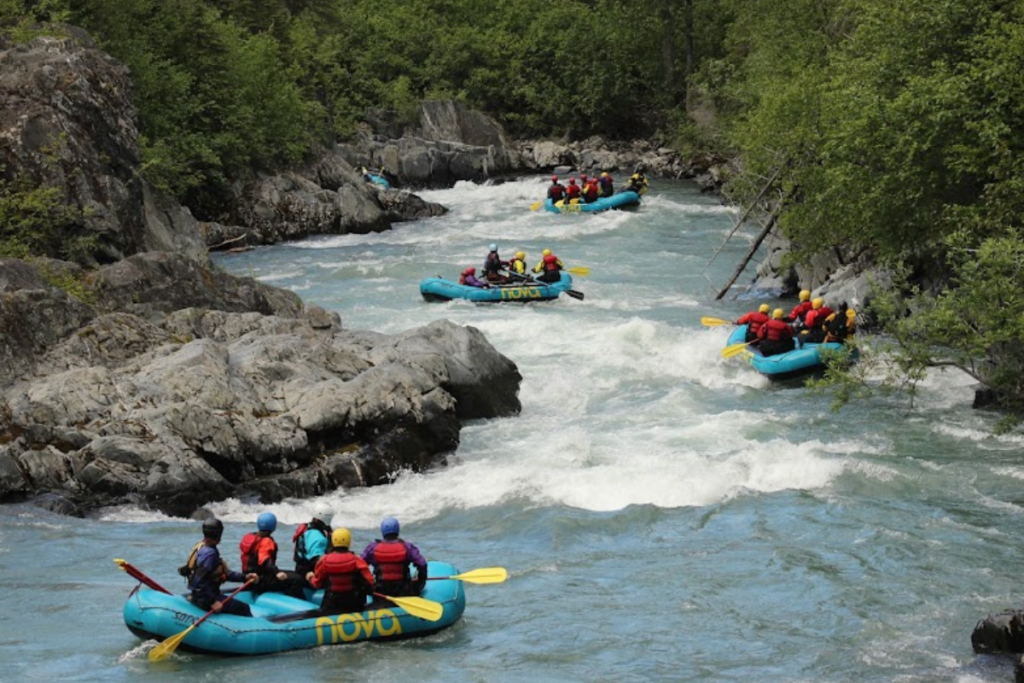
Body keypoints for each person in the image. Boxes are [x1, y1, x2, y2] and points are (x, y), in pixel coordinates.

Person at [181, 518, 257, 616]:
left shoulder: (201, 547)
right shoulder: (210, 554)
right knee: (244, 609)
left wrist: (245, 577)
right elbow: (198, 582)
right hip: (205, 599)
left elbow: (225, 574)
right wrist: (212, 602)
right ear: (218, 534)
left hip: (199, 596)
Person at [306, 528, 375, 615]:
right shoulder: (357, 561)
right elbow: (370, 582)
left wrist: (310, 578)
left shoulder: (324, 561)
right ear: (348, 541)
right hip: (354, 606)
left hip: (331, 605)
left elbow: (317, 584)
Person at [239, 512, 306, 598]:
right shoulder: (266, 541)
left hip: (249, 579)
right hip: (260, 581)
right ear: (273, 526)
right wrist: (277, 573)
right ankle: (297, 604)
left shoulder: (250, 537)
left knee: (292, 574)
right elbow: (264, 560)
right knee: (297, 579)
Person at [361, 517, 428, 597]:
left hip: (380, 592)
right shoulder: (407, 547)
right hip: (404, 591)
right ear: (397, 530)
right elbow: (422, 564)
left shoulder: (372, 548)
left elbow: (359, 565)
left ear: (383, 531)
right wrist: (420, 583)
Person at [293, 507, 332, 576]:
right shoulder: (317, 537)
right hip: (309, 574)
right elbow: (317, 560)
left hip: (300, 569)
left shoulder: (307, 529)